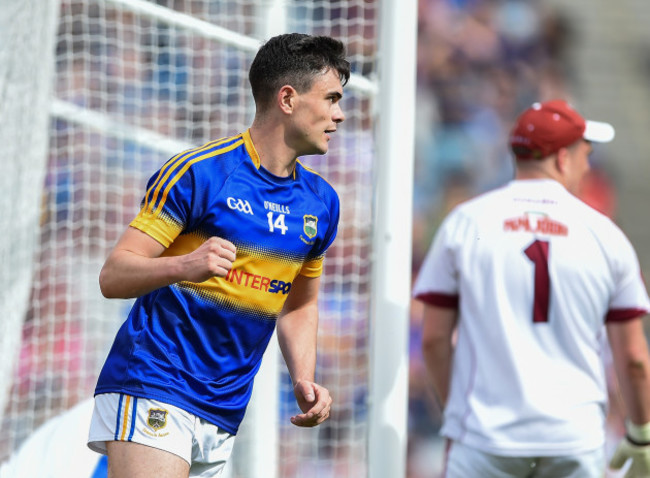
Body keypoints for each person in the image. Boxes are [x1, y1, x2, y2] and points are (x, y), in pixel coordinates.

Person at [87, 33, 350, 477]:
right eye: (331, 99)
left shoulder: (321, 203)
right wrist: (185, 265)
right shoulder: (200, 173)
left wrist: (303, 377)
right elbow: (113, 275)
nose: (339, 115)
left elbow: (299, 302)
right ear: (288, 99)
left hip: (225, 407)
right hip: (156, 380)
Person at [413, 99, 650, 477]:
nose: (588, 165)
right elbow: (634, 357)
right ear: (562, 159)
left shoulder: (466, 222)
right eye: (585, 153)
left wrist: (459, 416)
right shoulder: (605, 235)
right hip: (574, 439)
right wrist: (640, 435)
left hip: (484, 439)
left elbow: (434, 341)